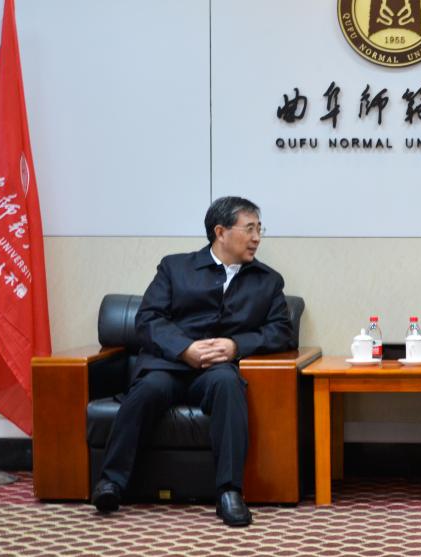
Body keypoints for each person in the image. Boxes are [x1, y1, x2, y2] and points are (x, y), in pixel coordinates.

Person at [91, 196, 296, 526]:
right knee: (146, 391)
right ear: (221, 232)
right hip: (168, 366)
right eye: (249, 229)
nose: (257, 238)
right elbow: (148, 319)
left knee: (229, 385)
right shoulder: (175, 268)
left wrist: (235, 345)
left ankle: (229, 492)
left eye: (260, 229)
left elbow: (281, 331)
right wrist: (184, 348)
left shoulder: (267, 281)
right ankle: (111, 483)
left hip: (218, 370)